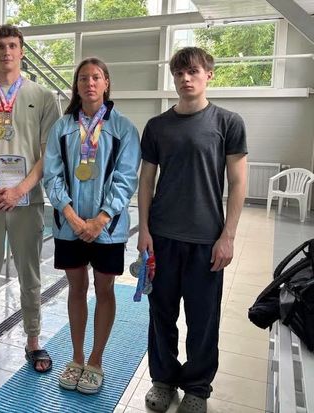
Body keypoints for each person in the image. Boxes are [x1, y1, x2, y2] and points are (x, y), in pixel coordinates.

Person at [138, 47, 247, 413]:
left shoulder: (228, 123)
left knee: (203, 319)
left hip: (205, 240)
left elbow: (238, 182)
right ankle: (163, 380)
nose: (185, 79)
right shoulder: (157, 126)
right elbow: (146, 182)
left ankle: (197, 387)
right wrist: (144, 230)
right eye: (179, 73)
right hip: (163, 238)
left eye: (193, 72)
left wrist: (228, 235)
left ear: (208, 75)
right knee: (161, 315)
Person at [0, 24, 59, 373]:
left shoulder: (43, 97)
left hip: (27, 201)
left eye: (13, 45)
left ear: (21, 51)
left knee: (29, 274)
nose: (6, 52)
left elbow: (48, 154)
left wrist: (20, 190)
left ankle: (33, 340)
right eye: (0, 46)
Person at [43, 57, 140, 394]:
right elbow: (52, 175)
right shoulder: (62, 127)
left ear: (106, 83)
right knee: (76, 288)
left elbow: (127, 179)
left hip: (107, 228)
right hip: (68, 225)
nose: (89, 83)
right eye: (83, 78)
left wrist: (101, 218)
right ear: (77, 86)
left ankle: (96, 361)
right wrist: (71, 216)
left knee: (104, 289)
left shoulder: (123, 128)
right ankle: (76, 357)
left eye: (96, 77)